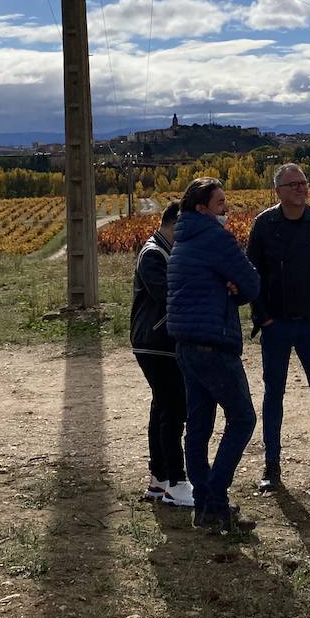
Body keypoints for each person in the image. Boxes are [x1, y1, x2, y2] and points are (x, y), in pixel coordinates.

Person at [246, 164, 310, 494]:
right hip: (275, 324)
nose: (300, 189)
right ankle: (271, 467)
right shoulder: (264, 224)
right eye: (292, 185)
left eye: (303, 183)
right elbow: (251, 274)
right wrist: (262, 317)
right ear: (278, 191)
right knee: (273, 394)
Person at [166, 177, 262, 533]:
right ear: (202, 207)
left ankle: (204, 504)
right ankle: (216, 500)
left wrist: (228, 289)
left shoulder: (181, 241)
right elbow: (251, 283)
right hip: (214, 343)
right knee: (242, 419)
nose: (226, 208)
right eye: (221, 202)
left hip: (185, 344)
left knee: (199, 426)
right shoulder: (216, 239)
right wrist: (235, 291)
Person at [130, 200, 193, 507]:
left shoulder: (163, 250)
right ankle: (176, 483)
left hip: (159, 342)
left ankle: (159, 480)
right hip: (156, 342)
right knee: (173, 410)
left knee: (163, 408)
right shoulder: (154, 254)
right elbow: (170, 295)